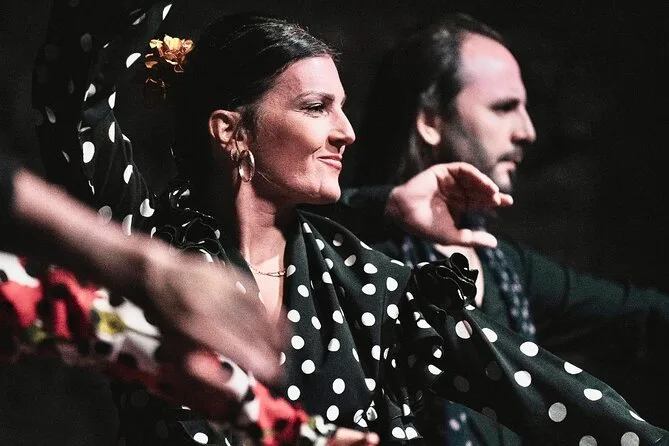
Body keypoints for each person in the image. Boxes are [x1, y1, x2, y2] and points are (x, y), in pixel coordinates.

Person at [35, 2, 669, 444]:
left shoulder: (366, 283)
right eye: (317, 107)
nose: (347, 131)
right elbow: (75, 97)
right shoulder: (147, 244)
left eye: (343, 107)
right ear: (231, 131)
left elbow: (538, 389)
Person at [345, 12, 669, 444]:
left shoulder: (504, 267)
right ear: (430, 121)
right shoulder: (348, 254)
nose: (528, 131)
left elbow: (641, 319)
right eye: (503, 108)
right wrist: (385, 204)